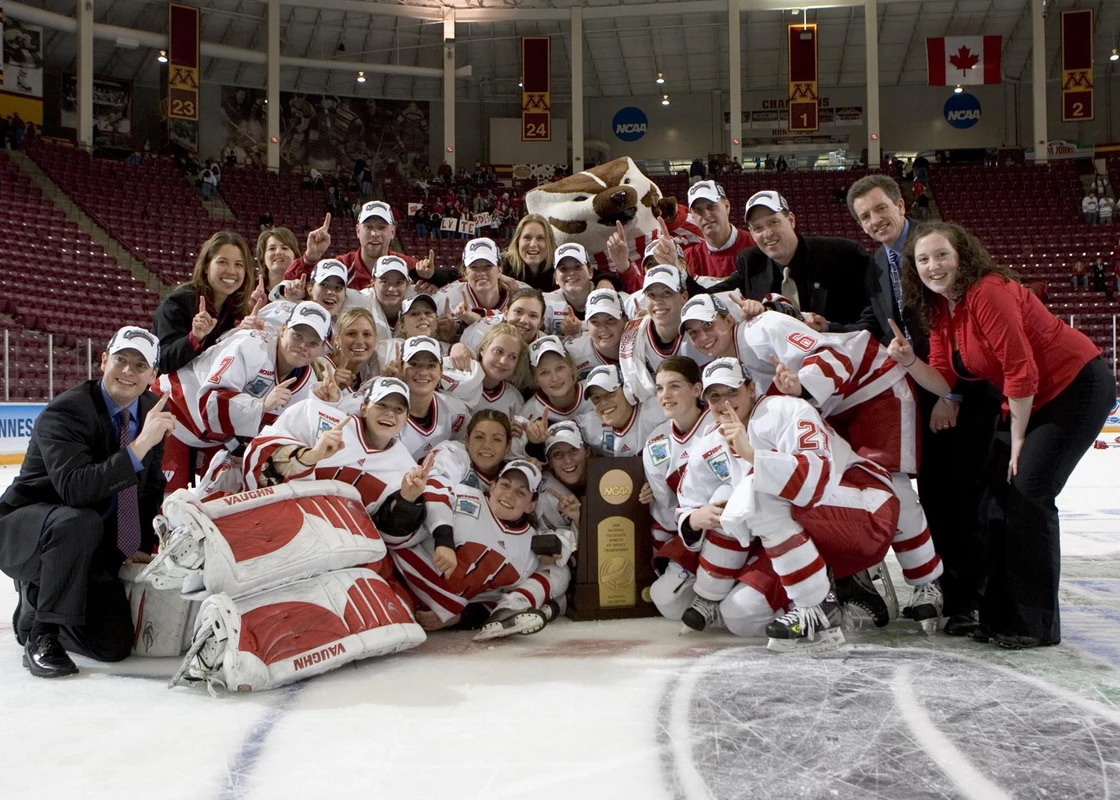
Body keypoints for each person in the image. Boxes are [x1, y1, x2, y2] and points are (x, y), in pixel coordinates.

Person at [892, 222, 1113, 648]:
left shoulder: (988, 291)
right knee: (994, 500)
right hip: (1031, 398)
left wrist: (1017, 439)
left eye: (942, 255)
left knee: (1028, 494)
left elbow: (1020, 369)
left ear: (962, 256)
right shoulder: (941, 309)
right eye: (923, 259)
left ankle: (1034, 625)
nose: (934, 266)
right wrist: (907, 361)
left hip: (1075, 388)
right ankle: (1000, 617)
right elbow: (943, 380)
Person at [845, 174, 1001, 633]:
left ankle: (975, 600)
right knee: (937, 497)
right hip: (923, 391)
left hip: (965, 392)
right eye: (864, 217)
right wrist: (826, 329)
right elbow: (877, 321)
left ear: (899, 203)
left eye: (879, 210)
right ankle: (952, 593)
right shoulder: (878, 262)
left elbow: (965, 323)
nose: (874, 221)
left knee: (969, 499)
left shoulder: (936, 248)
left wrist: (951, 393)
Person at [0, 327, 174, 677]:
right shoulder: (67, 411)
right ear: (104, 360)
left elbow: (150, 487)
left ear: (152, 376)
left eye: (139, 366)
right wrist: (139, 445)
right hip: (29, 533)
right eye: (121, 361)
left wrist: (137, 545)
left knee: (111, 645)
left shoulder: (148, 411)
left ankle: (36, 605)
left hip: (89, 542)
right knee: (78, 520)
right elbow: (76, 491)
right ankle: (42, 636)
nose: (128, 371)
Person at [157, 301, 331, 492]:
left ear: (322, 347)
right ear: (283, 330)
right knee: (165, 498)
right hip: (174, 414)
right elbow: (210, 403)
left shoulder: (310, 385)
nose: (303, 346)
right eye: (297, 335)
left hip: (217, 439)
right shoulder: (249, 345)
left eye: (313, 343)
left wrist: (330, 403)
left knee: (215, 503)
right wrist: (261, 405)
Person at [702, 191, 870, 333]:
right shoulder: (751, 262)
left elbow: (873, 317)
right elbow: (705, 294)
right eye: (758, 228)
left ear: (791, 220)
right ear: (751, 233)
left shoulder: (843, 255)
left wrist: (830, 328)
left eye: (773, 222)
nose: (767, 234)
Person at [152, 231, 257, 374]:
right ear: (206, 266)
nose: (231, 271)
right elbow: (162, 362)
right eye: (222, 262)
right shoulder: (177, 303)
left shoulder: (238, 309)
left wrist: (249, 335)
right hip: (172, 393)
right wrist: (194, 338)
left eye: (238, 264)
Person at [284, 203, 449, 290]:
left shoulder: (408, 266)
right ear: (357, 231)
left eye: (382, 227)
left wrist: (431, 278)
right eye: (368, 227)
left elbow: (457, 281)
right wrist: (311, 256)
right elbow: (290, 282)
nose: (374, 233)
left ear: (392, 232)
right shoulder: (342, 266)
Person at [681, 181, 755, 281]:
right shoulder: (688, 258)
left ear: (727, 207)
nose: (706, 215)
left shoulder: (756, 244)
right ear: (692, 216)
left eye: (711, 207)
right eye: (698, 210)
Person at [500, 213, 556, 291]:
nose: (533, 244)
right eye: (527, 237)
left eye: (540, 238)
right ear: (517, 241)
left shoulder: (561, 269)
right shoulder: (500, 268)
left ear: (550, 242)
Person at [256, 226, 304, 302]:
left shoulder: (306, 292)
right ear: (263, 257)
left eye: (284, 248)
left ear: (295, 256)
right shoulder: (249, 291)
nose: (278, 252)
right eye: (272, 248)